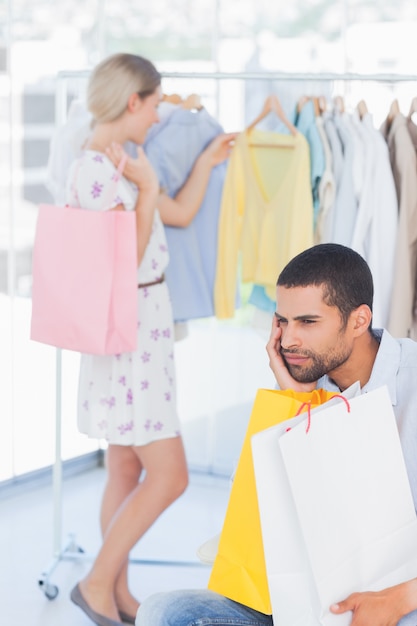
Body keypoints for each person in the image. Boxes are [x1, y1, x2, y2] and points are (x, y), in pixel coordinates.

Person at [136, 243, 417, 626]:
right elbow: (261, 510)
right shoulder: (309, 380)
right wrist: (292, 403)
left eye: (307, 322)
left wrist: (396, 600)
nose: (286, 341)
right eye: (282, 321)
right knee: (165, 612)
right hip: (311, 600)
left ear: (358, 321)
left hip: (397, 601)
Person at [66, 52, 237, 626]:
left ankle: (116, 593)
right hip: (131, 333)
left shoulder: (125, 160)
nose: (161, 115)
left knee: (125, 471)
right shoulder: (93, 171)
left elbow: (180, 215)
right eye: (157, 102)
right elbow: (123, 262)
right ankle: (94, 583)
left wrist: (201, 163)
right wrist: (145, 189)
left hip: (142, 329)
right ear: (133, 100)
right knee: (171, 475)